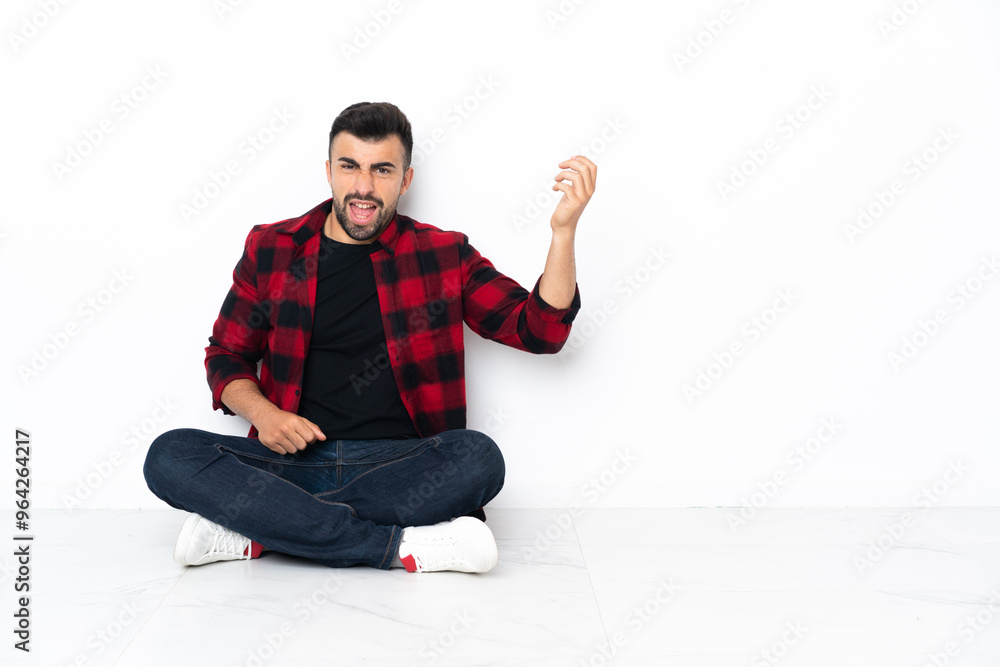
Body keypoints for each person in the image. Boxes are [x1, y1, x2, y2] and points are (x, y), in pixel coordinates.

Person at [143, 102, 596, 573]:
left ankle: (265, 531)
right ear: (328, 171)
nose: (363, 186)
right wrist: (265, 415)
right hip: (290, 464)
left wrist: (563, 232)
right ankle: (397, 546)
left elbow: (541, 331)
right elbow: (226, 355)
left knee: (478, 458)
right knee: (169, 455)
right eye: (349, 166)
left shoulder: (444, 254)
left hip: (399, 469)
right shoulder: (272, 247)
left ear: (405, 179)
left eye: (382, 170)